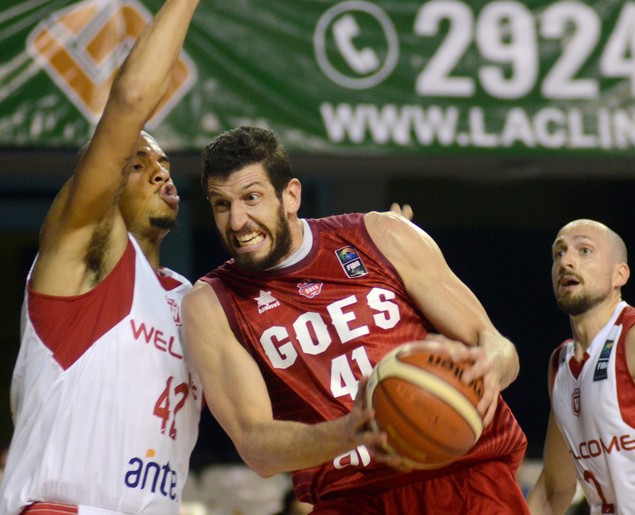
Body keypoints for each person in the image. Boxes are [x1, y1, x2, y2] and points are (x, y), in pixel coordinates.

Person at [181, 126, 529, 513]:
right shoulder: (212, 303)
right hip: (351, 496)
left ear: (291, 195)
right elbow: (257, 447)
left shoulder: (380, 234)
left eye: (252, 198)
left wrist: (490, 366)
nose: (237, 221)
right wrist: (349, 432)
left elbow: (497, 346)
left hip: (463, 475)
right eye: (221, 204)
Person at [0, 1, 202, 513]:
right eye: (138, 164)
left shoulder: (196, 300)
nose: (161, 172)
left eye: (163, 162)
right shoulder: (82, 251)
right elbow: (131, 101)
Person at [527, 219, 635, 514]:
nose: (566, 261)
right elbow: (554, 490)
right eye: (559, 253)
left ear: (619, 274)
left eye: (584, 250)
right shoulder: (561, 365)